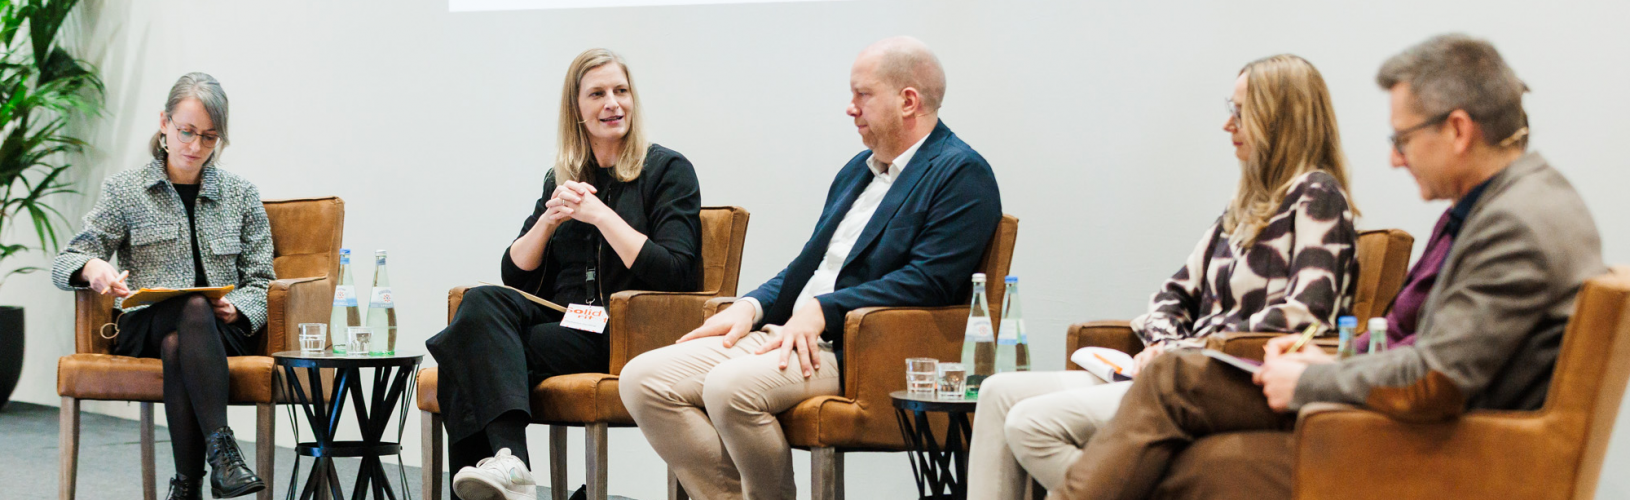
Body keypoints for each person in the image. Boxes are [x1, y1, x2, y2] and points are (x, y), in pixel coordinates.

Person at [1054, 34, 1608, 500]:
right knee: (1189, 428)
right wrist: (1325, 357)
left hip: (1451, 452)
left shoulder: (1516, 223)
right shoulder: (1508, 202)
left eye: (1402, 139)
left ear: (1458, 130)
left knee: (1188, 433)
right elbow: (1424, 346)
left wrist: (1311, 379)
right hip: (1419, 426)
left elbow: (1434, 378)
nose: (1394, 158)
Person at [618, 36, 1002, 499]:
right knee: (642, 380)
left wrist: (824, 310)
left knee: (729, 388)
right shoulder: (858, 170)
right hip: (789, 332)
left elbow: (929, 281)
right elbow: (808, 266)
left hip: (857, 349)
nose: (850, 108)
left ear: (908, 101)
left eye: (862, 94)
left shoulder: (960, 173)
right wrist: (750, 307)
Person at [966, 54, 1361, 500]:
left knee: (1031, 424)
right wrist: (1163, 343)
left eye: (1239, 112)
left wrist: (1183, 351)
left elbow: (1305, 314)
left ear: (1278, 119)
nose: (1227, 125)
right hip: (1176, 369)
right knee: (997, 393)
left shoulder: (1318, 195)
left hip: (1222, 382)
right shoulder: (1243, 207)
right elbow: (1171, 296)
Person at [426, 48, 702, 500]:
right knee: (480, 302)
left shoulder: (668, 170)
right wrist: (548, 221)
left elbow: (677, 272)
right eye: (597, 94)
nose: (612, 103)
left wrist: (601, 216)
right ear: (576, 109)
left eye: (621, 91)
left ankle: (507, 470)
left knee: (469, 348)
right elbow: (515, 276)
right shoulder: (563, 178)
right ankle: (511, 464)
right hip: (567, 321)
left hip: (622, 331)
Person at [52, 73, 271, 500]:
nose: (195, 145)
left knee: (180, 340)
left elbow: (262, 278)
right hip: (143, 327)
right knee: (190, 309)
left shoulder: (241, 194)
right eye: (186, 131)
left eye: (209, 137)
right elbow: (67, 260)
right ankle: (224, 456)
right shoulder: (126, 190)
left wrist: (239, 308)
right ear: (164, 123)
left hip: (219, 333)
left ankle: (187, 487)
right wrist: (93, 267)